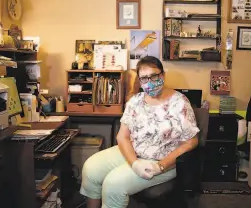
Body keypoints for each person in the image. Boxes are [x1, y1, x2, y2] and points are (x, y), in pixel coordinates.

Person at [80, 56, 199, 208]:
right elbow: (122, 136)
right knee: (91, 168)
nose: (149, 82)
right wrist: (134, 163)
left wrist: (161, 166)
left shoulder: (180, 103)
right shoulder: (135, 101)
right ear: (140, 81)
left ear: (162, 75)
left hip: (162, 161)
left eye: (154, 76)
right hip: (133, 153)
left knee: (113, 184)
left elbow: (191, 141)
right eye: (144, 78)